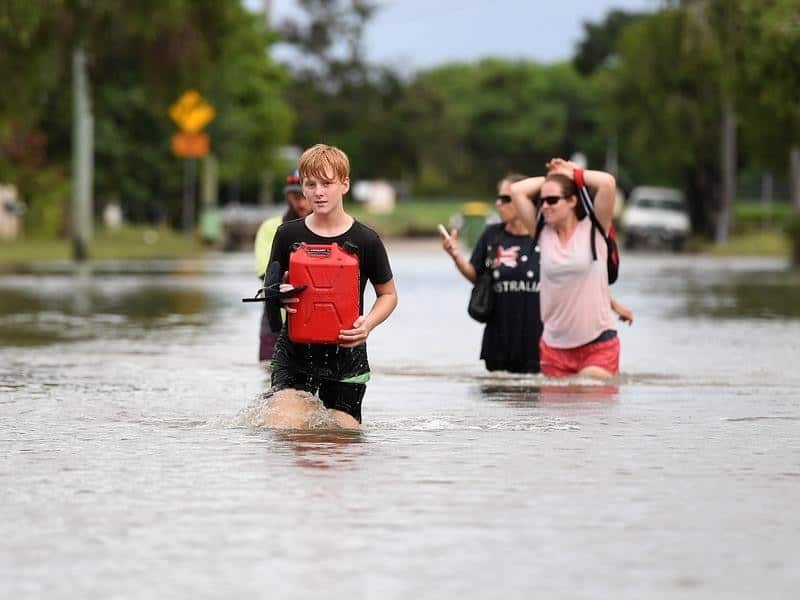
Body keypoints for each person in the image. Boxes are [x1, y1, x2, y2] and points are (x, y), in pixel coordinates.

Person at [265, 143, 398, 428]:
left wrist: (368, 324)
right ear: (302, 187)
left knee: (342, 442)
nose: (318, 192)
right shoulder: (287, 234)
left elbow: (388, 295)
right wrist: (281, 296)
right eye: (310, 184)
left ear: (345, 184)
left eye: (327, 183)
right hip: (293, 355)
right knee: (285, 430)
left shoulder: (367, 240)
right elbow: (270, 290)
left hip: (348, 359)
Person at [510, 158, 622, 379]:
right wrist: (554, 177)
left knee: (589, 388)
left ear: (572, 200)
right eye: (542, 201)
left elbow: (607, 183)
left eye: (552, 200)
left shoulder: (595, 228)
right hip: (554, 347)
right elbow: (516, 191)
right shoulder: (542, 233)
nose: (544, 206)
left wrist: (572, 173)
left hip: (598, 343)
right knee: (557, 413)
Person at [440, 174, 543, 373]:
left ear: (526, 201)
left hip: (538, 340)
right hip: (499, 339)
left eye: (506, 199)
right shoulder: (492, 234)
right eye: (498, 198)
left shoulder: (545, 236)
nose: (498, 203)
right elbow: (476, 276)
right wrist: (455, 256)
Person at [254, 169, 312, 362]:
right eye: (297, 196)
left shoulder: (328, 230)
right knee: (267, 376)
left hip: (314, 319)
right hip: (276, 321)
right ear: (288, 195)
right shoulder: (271, 228)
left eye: (305, 196)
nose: (303, 203)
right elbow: (266, 273)